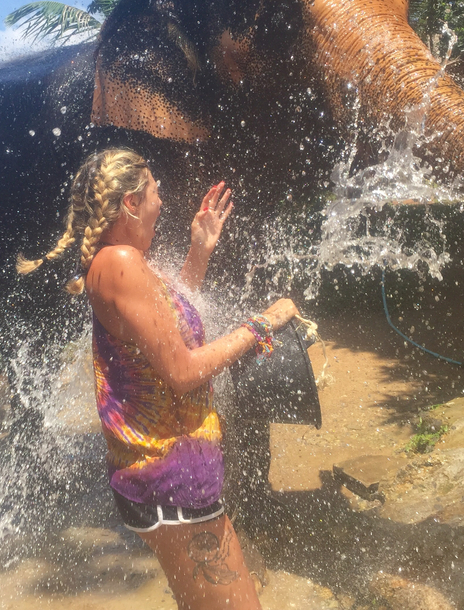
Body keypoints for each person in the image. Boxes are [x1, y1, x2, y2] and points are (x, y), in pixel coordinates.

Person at [18, 147, 299, 610]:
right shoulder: (122, 260)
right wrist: (262, 324)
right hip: (170, 477)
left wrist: (200, 248)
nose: (162, 200)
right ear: (130, 202)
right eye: (154, 190)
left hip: (165, 478)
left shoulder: (121, 263)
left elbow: (169, 329)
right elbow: (183, 371)